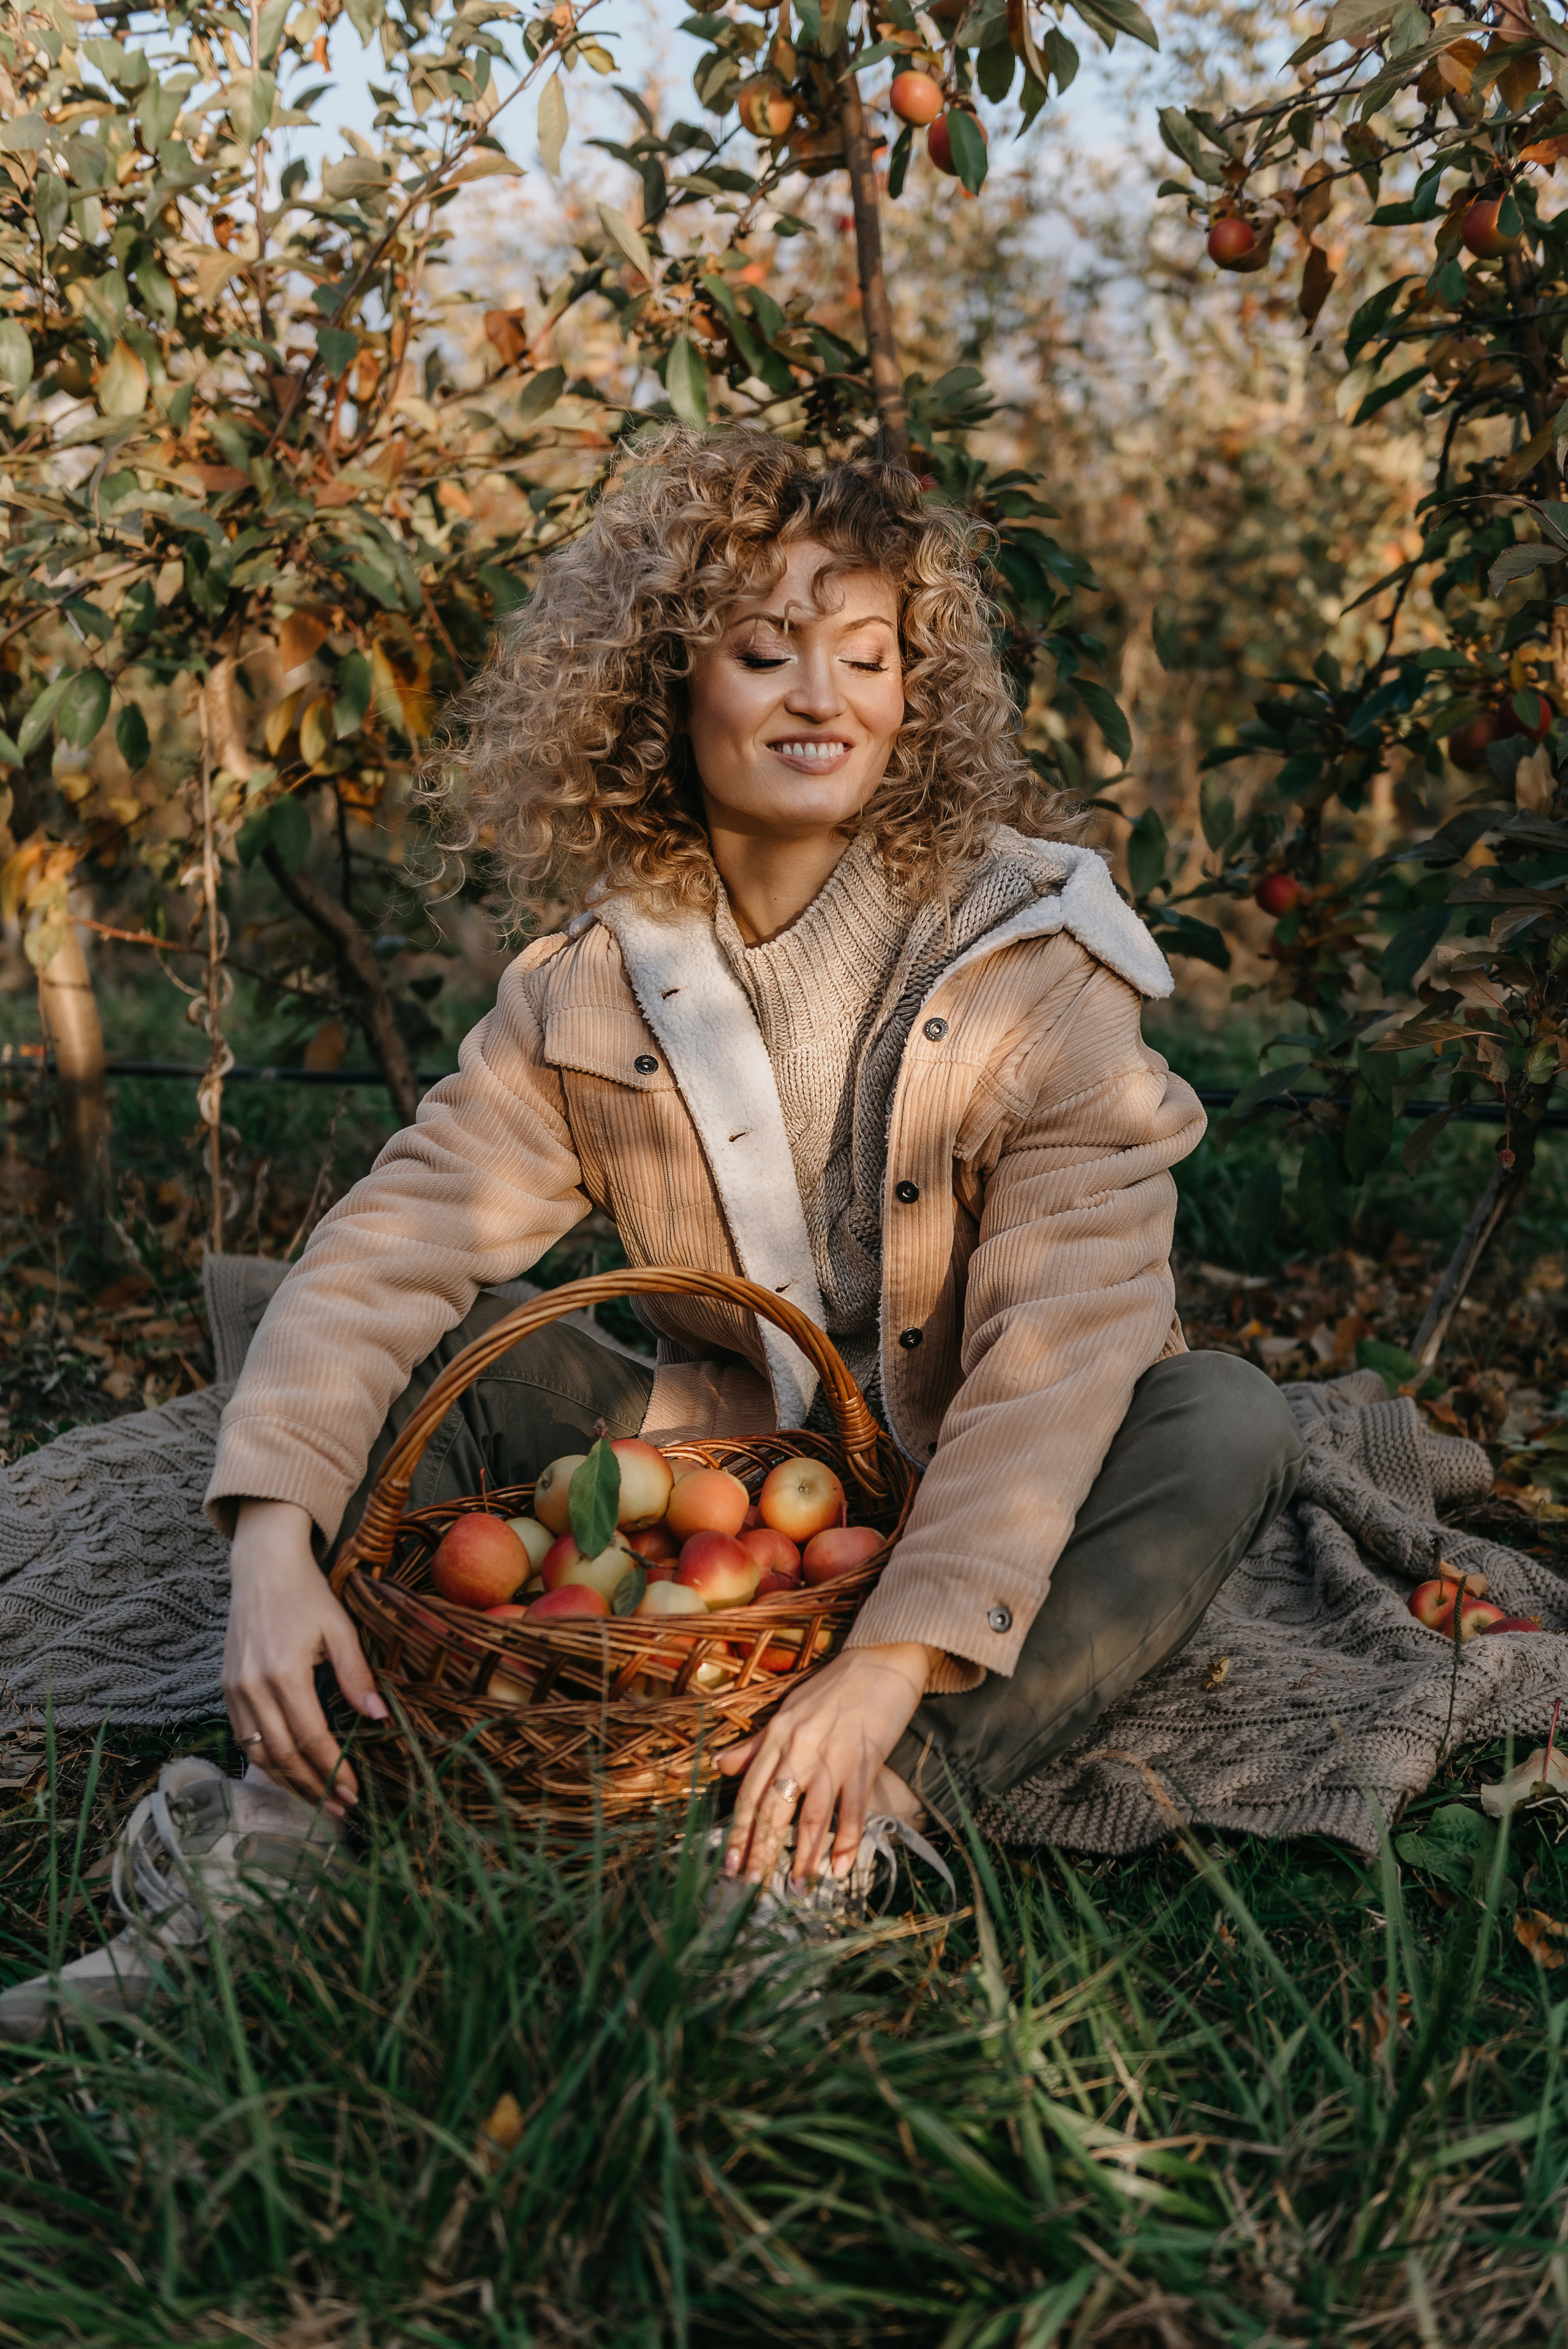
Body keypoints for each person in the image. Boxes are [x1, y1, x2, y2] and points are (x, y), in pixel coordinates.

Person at [1, 426, 1305, 2032]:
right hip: (735, 1467)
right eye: (768, 651)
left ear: (920, 690)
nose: (825, 697)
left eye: (869, 654)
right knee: (354, 1330)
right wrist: (272, 1543)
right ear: (665, 684)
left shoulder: (1035, 963)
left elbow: (1063, 1349)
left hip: (991, 1473)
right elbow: (405, 1230)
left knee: (1222, 1419)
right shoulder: (601, 979)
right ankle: (283, 1849)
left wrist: (888, 1664)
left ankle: (826, 1835)